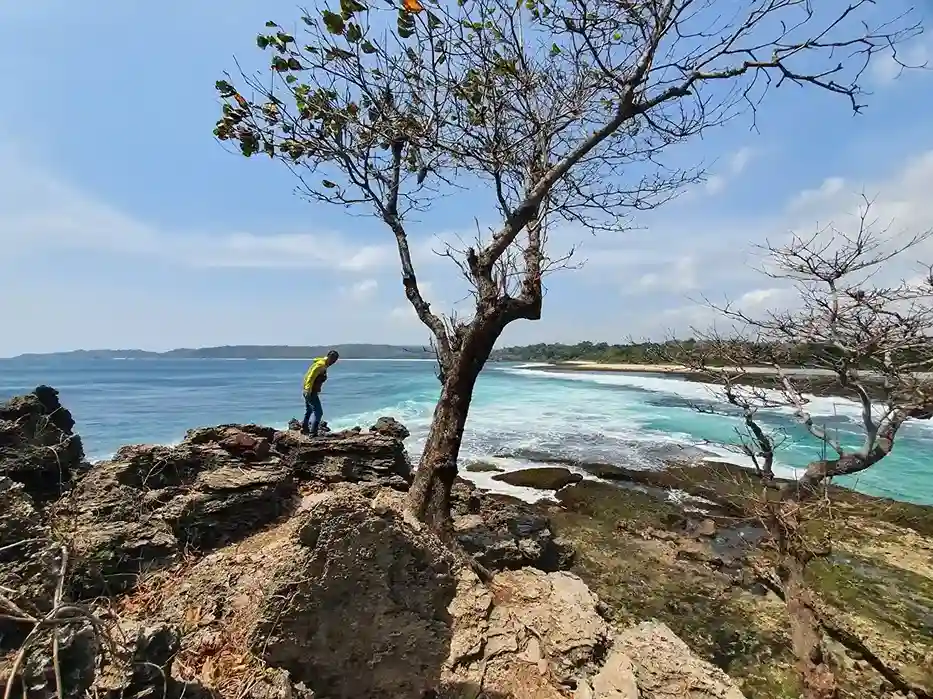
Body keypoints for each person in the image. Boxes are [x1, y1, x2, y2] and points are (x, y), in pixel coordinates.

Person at [300, 350, 339, 436]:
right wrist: (307, 390)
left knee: (309, 410)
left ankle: (304, 429)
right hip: (310, 391)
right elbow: (310, 377)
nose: (333, 362)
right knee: (318, 412)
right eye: (332, 359)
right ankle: (313, 433)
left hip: (309, 390)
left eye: (335, 360)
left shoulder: (323, 365)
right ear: (328, 357)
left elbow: (308, 377)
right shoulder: (320, 365)